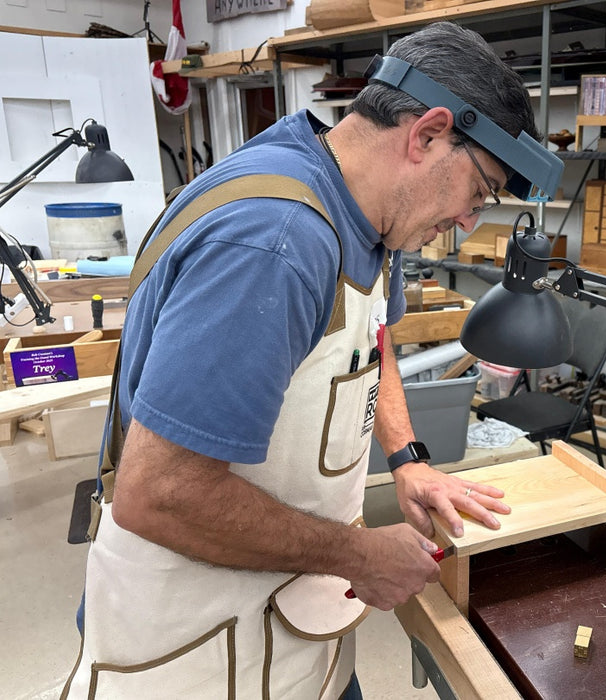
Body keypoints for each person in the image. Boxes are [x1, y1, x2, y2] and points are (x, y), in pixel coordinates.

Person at [61, 21, 562, 699]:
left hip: (291, 612)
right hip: (196, 644)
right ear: (427, 134)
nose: (470, 220)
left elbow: (370, 339)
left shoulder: (364, 207)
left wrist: (407, 460)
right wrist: (359, 552)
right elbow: (160, 494)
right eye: (479, 192)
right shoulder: (275, 243)